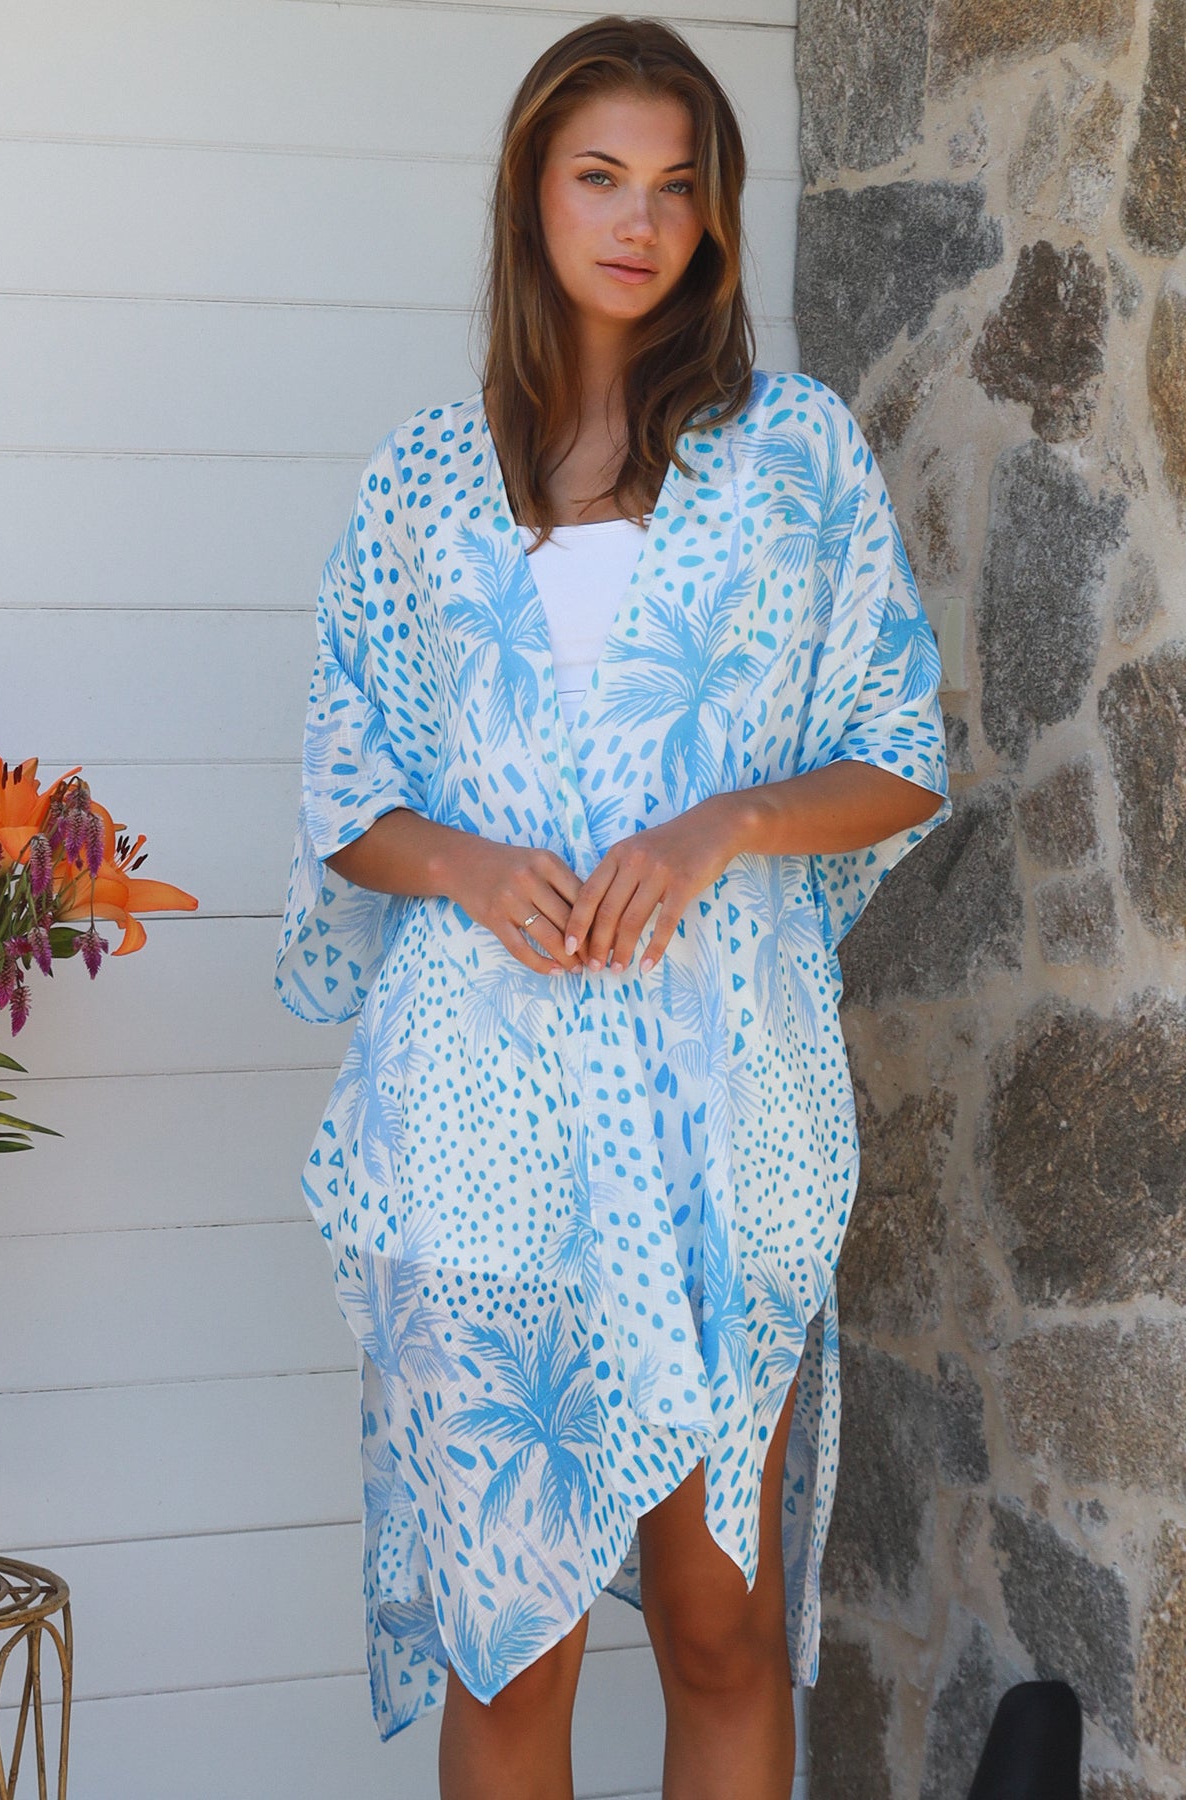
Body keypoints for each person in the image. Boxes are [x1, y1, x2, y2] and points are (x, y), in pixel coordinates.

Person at [275, 15, 952, 1799]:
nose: (639, 221)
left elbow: (900, 750)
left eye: (676, 185)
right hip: (479, 1127)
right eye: (599, 177)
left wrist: (731, 822)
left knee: (719, 1625)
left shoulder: (795, 456)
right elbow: (347, 791)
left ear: (716, 213)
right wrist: (470, 865)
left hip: (725, 1120)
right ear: (532, 194)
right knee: (512, 1653)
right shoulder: (425, 483)